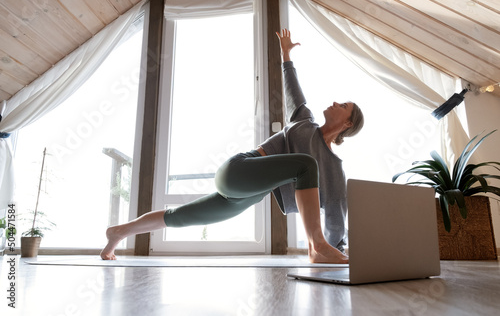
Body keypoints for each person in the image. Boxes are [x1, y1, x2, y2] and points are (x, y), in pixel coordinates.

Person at [100, 29, 364, 263]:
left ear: (348, 124)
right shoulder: (304, 121)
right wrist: (286, 55)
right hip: (238, 170)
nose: (335, 102)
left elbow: (336, 211)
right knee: (306, 165)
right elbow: (292, 90)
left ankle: (118, 233)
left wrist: (339, 247)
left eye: (343, 106)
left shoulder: (334, 168)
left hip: (246, 195)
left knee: (179, 217)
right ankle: (315, 247)